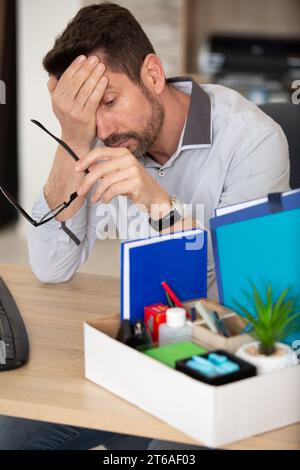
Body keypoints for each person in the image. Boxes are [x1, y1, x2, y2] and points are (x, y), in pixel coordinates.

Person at [0, 2, 290, 450]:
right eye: (87, 111)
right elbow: (51, 265)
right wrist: (72, 140)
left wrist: (157, 203)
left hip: (214, 364)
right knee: (11, 433)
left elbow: (232, 303)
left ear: (153, 75)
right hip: (135, 351)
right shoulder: (98, 136)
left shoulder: (252, 142)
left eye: (110, 101)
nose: (103, 126)